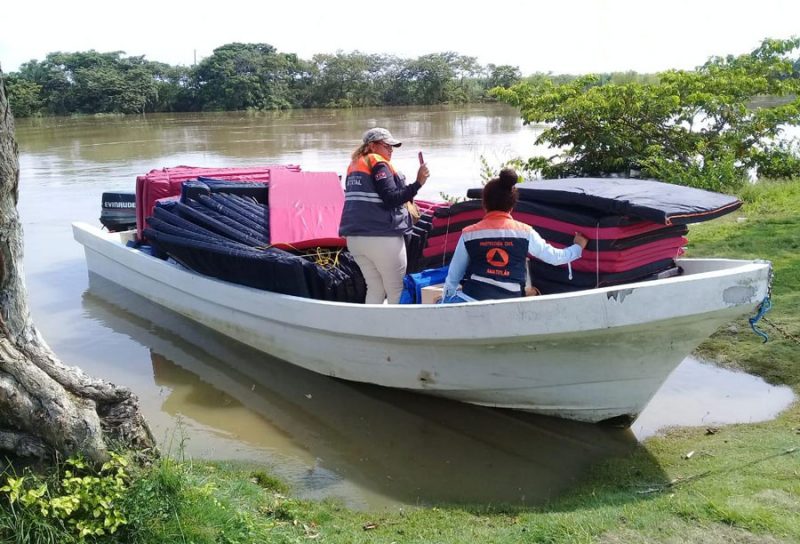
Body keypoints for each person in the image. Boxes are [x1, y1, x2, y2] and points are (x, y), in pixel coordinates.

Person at [441, 168, 588, 302]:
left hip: (472, 299)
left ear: (484, 204)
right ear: (512, 206)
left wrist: (446, 302)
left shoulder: (469, 233)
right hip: (511, 302)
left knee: (440, 301)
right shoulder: (525, 232)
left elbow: (453, 278)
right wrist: (578, 247)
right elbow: (555, 257)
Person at [339, 127, 431, 304]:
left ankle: (370, 329)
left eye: (392, 146)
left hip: (355, 239)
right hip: (381, 238)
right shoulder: (379, 164)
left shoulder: (355, 165)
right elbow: (391, 199)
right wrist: (418, 183)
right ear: (372, 146)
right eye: (386, 145)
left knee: (375, 288)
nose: (391, 149)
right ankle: (398, 331)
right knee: (396, 289)